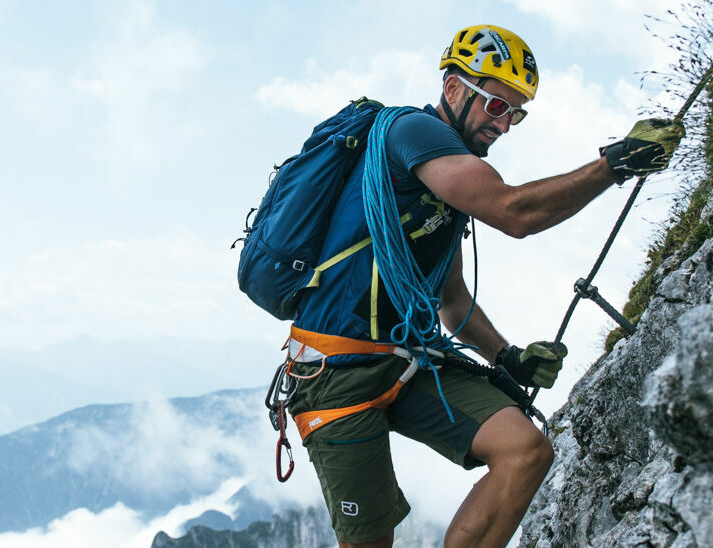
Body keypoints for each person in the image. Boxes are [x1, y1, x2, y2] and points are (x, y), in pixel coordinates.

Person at [280, 24, 682, 548]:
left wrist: (507, 358)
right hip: (335, 370)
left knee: (526, 451)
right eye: (497, 106)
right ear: (453, 89)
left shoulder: (441, 188)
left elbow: (451, 301)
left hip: (408, 356)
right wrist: (613, 165)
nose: (506, 125)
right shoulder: (412, 134)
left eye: (516, 113)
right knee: (370, 539)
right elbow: (513, 212)